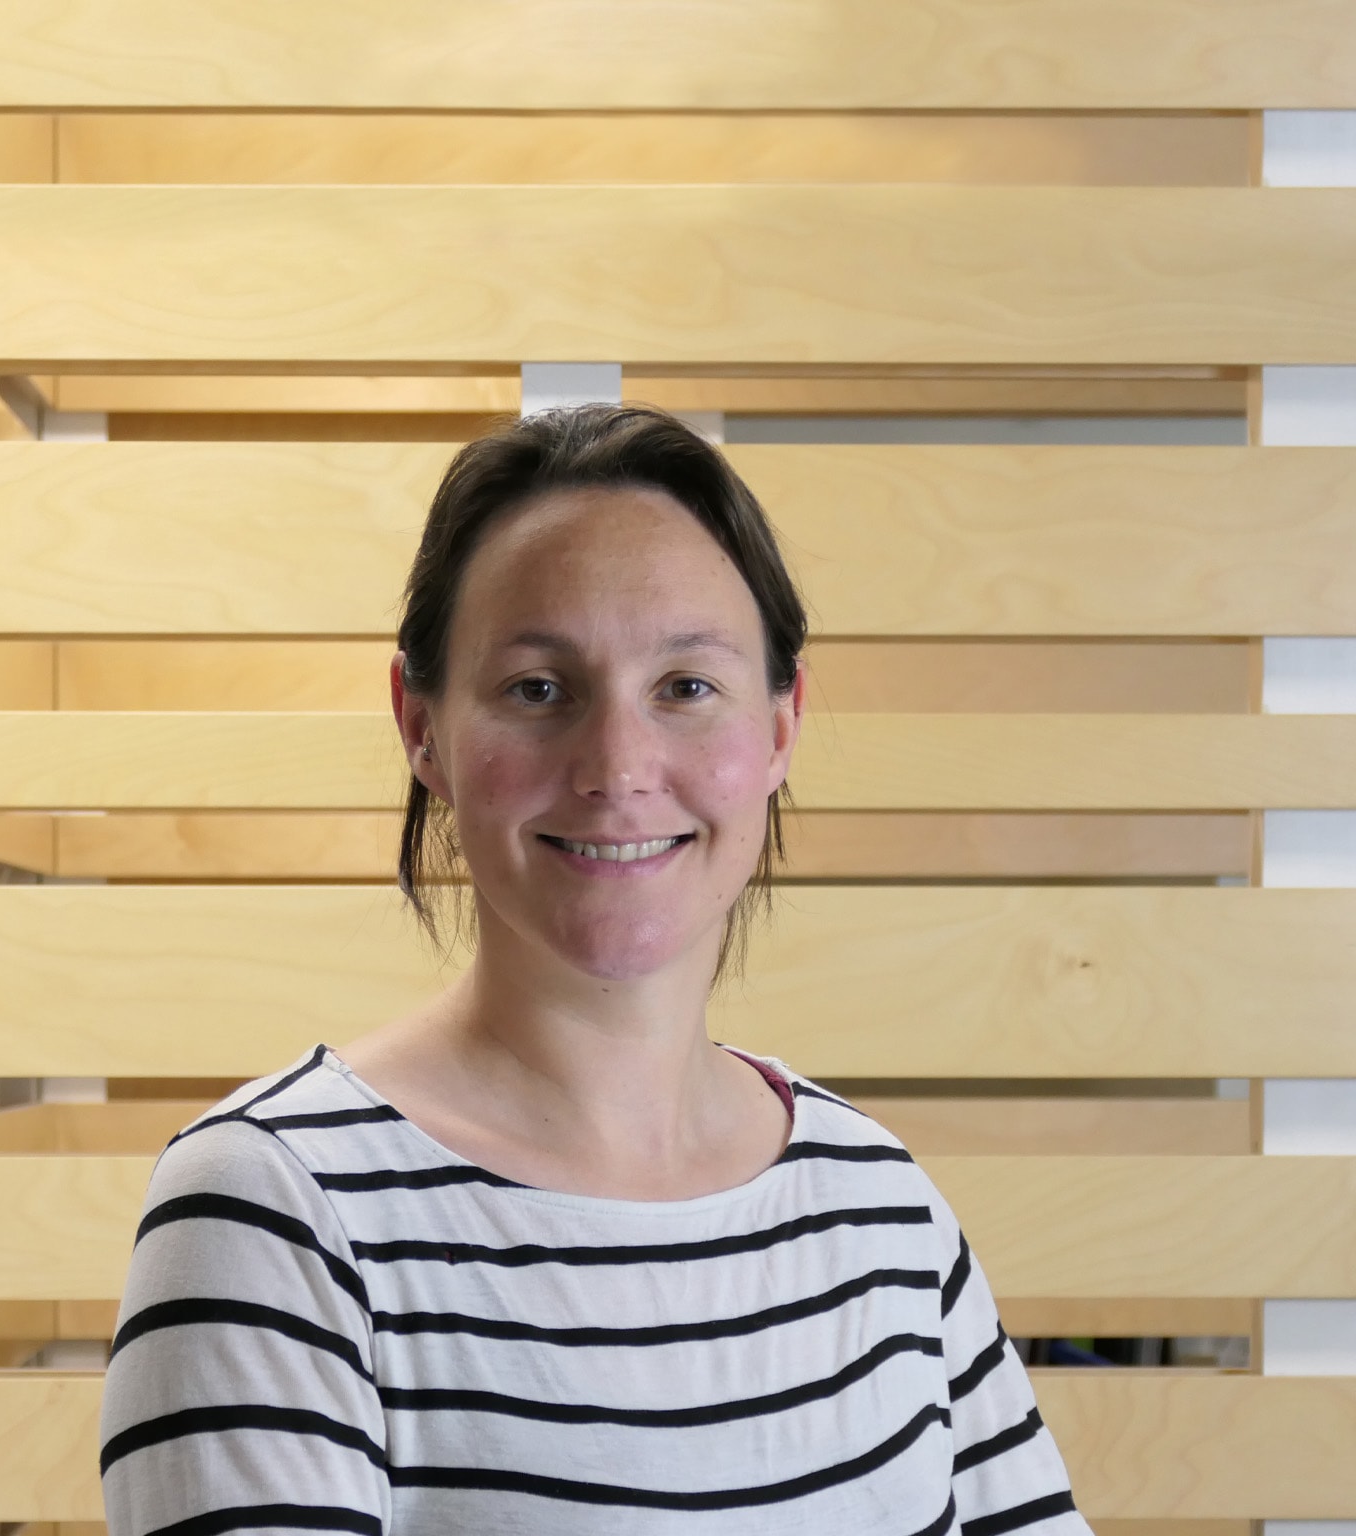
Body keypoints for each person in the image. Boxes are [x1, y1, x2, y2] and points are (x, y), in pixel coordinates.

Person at [100, 405, 1091, 1536]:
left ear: (780, 728)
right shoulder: (273, 1211)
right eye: (536, 688)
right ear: (421, 727)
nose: (618, 767)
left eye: (685, 687)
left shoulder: (879, 1205)